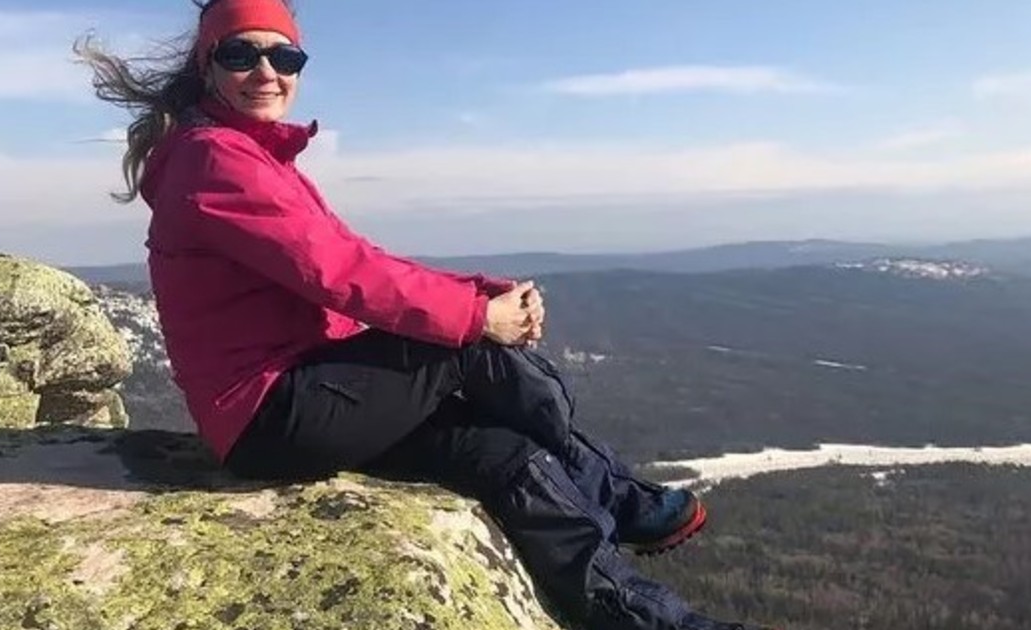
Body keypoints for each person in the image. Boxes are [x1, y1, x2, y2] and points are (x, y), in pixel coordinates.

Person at [77, 1, 777, 628]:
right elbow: (341, 274)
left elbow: (355, 256)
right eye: (242, 54)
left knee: (505, 457)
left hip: (313, 397)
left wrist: (481, 291)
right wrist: (480, 317)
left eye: (284, 57)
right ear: (208, 66)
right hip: (274, 410)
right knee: (471, 349)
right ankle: (618, 495)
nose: (267, 72)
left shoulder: (248, 156)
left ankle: (650, 617)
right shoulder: (214, 160)